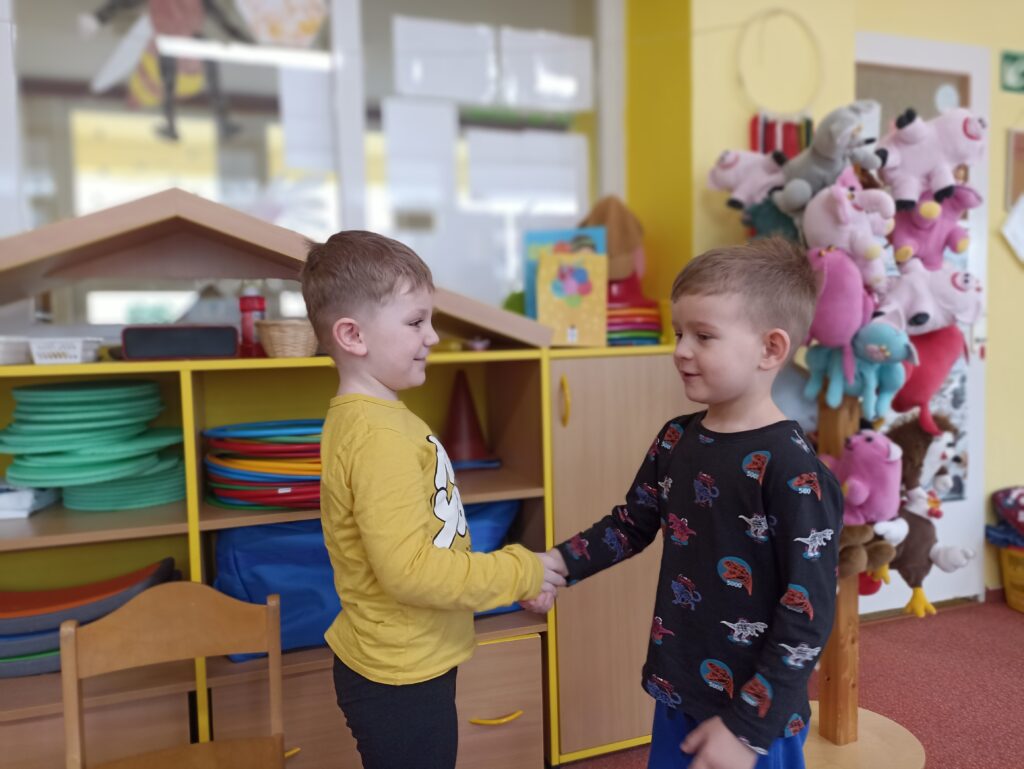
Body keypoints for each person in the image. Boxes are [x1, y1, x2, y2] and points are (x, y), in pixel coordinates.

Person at [527, 237, 843, 769]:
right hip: (679, 682)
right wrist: (556, 565)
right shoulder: (676, 438)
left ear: (770, 349)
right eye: (679, 333)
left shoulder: (795, 470)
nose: (680, 350)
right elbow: (630, 525)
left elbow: (808, 610)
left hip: (754, 719)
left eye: (704, 336)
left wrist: (747, 728)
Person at [301, 230, 566, 769]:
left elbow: (429, 543)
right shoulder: (379, 437)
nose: (433, 336)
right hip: (400, 675)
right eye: (416, 322)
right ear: (352, 335)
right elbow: (413, 573)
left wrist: (510, 582)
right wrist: (522, 570)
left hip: (409, 658)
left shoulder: (377, 419)